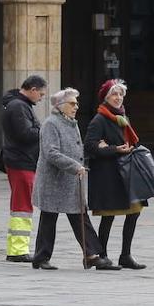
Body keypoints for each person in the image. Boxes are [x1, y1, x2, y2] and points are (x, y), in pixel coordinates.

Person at [30, 88, 106, 270]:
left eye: (76, 103)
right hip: (54, 181)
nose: (76, 107)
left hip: (71, 181)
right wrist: (75, 166)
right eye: (72, 103)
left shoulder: (71, 122)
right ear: (60, 105)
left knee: (79, 216)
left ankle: (91, 255)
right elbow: (51, 152)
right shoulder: (51, 124)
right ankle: (41, 257)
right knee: (49, 218)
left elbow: (75, 148)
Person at [83, 79, 140, 271]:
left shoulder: (122, 117)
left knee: (134, 211)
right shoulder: (99, 119)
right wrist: (115, 149)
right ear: (106, 98)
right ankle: (103, 256)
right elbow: (90, 146)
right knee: (108, 216)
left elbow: (129, 140)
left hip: (126, 172)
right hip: (108, 175)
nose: (118, 98)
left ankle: (126, 255)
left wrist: (126, 148)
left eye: (121, 94)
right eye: (114, 94)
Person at [0, 75, 47, 263]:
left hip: (21, 160)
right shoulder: (18, 106)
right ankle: (18, 250)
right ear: (33, 89)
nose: (41, 98)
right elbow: (25, 134)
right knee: (22, 207)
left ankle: (17, 249)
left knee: (21, 205)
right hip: (21, 161)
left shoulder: (19, 105)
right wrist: (44, 130)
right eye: (41, 94)